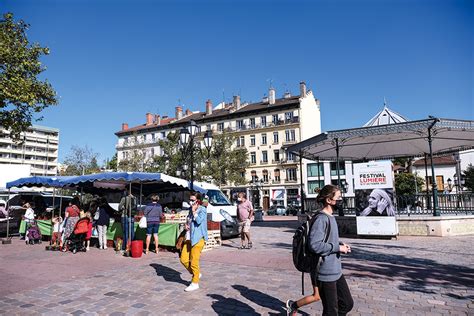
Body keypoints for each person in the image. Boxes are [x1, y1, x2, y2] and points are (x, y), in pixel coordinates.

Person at [286, 184, 354, 316]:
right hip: (325, 271)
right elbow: (315, 245)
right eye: (338, 197)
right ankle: (292, 307)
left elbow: (327, 240)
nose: (341, 200)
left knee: (346, 303)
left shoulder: (330, 217)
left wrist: (340, 245)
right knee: (330, 311)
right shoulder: (321, 219)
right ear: (329, 200)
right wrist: (337, 247)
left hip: (336, 270)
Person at [180, 192, 208, 292]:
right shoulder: (189, 210)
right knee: (183, 259)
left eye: (193, 200)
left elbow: (199, 221)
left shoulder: (202, 209)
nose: (190, 201)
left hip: (198, 238)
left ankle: (195, 283)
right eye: (190, 199)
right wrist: (186, 225)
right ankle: (196, 273)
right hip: (188, 237)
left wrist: (194, 211)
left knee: (194, 261)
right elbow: (189, 221)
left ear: (198, 200)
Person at [119, 189, 137, 255]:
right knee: (132, 232)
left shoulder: (124, 198)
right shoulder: (134, 198)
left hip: (125, 216)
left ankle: (124, 247)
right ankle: (132, 246)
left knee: (125, 232)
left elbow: (119, 207)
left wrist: (123, 207)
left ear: (127, 191)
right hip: (132, 217)